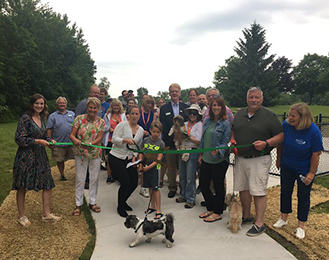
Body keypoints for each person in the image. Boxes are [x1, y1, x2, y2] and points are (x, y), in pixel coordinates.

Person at [231, 87, 284, 236]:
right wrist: (232, 139)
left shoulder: (269, 116)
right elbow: (233, 129)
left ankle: (260, 223)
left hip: (259, 159)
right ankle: (247, 216)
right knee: (243, 189)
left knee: (258, 191)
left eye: (257, 98)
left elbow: (281, 136)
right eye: (251, 97)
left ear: (262, 99)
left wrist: (266, 143)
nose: (254, 100)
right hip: (241, 158)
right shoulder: (240, 113)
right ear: (247, 98)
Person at [273, 103, 323, 239]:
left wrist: (311, 173)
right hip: (288, 165)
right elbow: (280, 143)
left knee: (303, 196)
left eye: (293, 116)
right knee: (285, 191)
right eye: (289, 115)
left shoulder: (313, 131)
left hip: (304, 169)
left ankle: (301, 225)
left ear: (303, 117)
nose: (290, 118)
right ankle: (283, 218)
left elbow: (316, 154)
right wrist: (279, 159)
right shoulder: (286, 125)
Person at [13, 93, 61, 226]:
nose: (39, 106)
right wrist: (38, 141)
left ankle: (46, 214)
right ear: (32, 104)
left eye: (41, 103)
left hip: (40, 156)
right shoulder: (25, 119)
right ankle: (21, 216)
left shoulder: (41, 118)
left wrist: (49, 141)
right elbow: (19, 139)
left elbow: (44, 135)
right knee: (22, 185)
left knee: (47, 183)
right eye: (37, 103)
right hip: (26, 157)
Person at [70, 97, 105, 216]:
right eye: (90, 107)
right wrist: (75, 140)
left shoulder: (101, 122)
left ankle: (93, 202)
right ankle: (78, 204)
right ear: (87, 107)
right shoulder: (79, 119)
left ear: (98, 109)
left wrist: (91, 144)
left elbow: (100, 138)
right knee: (80, 178)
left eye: (95, 108)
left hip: (95, 153)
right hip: (80, 153)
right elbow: (72, 135)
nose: (92, 110)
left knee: (94, 179)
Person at [198, 97, 231, 222]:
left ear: (222, 108)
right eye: (214, 105)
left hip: (219, 160)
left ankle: (218, 212)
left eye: (218, 106)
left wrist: (218, 149)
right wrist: (201, 154)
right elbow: (203, 139)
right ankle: (210, 208)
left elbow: (225, 142)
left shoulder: (225, 124)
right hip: (206, 159)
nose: (216, 108)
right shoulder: (207, 121)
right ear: (211, 108)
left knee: (218, 186)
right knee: (203, 184)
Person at [108, 106, 144, 217]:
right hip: (116, 157)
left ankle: (123, 201)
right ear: (128, 114)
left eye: (136, 114)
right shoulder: (122, 125)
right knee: (125, 182)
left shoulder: (141, 130)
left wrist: (135, 157)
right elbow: (114, 139)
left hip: (129, 160)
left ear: (139, 115)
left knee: (133, 182)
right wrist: (125, 140)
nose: (134, 116)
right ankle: (120, 206)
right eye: (132, 113)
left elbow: (137, 147)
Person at [160, 83, 189, 198]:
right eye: (172, 91)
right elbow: (163, 125)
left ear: (180, 93)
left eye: (176, 91)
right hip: (170, 142)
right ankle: (172, 187)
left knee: (182, 166)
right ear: (169, 93)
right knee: (171, 167)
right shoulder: (164, 108)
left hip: (182, 142)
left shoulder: (185, 107)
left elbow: (187, 123)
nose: (174, 93)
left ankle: (183, 188)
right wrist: (173, 136)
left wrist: (182, 135)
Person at [176, 104, 203, 209]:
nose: (192, 115)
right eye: (190, 113)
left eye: (194, 113)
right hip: (182, 150)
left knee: (190, 176)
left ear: (198, 115)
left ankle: (191, 199)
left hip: (192, 151)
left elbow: (198, 140)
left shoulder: (199, 125)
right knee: (182, 175)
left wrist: (187, 136)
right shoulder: (185, 124)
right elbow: (178, 135)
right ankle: (183, 195)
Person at [138, 121, 165, 219]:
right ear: (150, 131)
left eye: (158, 132)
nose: (155, 134)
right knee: (149, 187)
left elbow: (159, 159)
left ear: (160, 132)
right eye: (154, 131)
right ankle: (152, 205)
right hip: (146, 166)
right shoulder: (145, 140)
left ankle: (158, 209)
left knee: (156, 188)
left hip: (155, 168)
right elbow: (141, 152)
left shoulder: (161, 143)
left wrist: (149, 167)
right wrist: (140, 163)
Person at [47, 96, 75, 181]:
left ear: (66, 104)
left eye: (63, 103)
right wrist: (49, 140)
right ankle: (62, 174)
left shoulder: (72, 114)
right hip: (58, 142)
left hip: (71, 142)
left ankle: (77, 174)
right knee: (60, 160)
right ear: (57, 105)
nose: (62, 104)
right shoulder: (52, 116)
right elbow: (49, 129)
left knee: (76, 158)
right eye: (60, 103)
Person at [103, 99, 127, 184]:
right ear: (112, 106)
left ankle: (119, 176)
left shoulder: (123, 115)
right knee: (109, 159)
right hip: (110, 139)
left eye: (117, 105)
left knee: (119, 158)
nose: (116, 107)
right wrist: (109, 129)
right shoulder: (107, 115)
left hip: (120, 140)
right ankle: (109, 176)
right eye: (114, 105)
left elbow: (126, 126)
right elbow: (103, 126)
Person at [138, 95, 156, 198]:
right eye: (148, 103)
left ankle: (143, 187)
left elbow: (153, 125)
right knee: (138, 161)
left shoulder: (152, 113)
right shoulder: (139, 111)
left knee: (145, 161)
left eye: (151, 103)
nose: (149, 105)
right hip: (137, 138)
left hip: (148, 139)